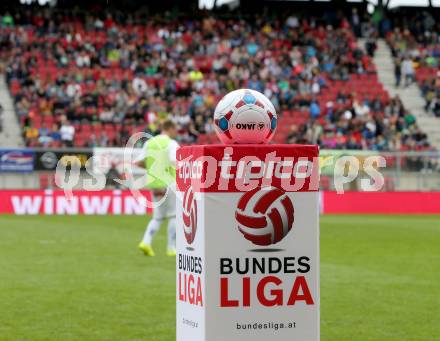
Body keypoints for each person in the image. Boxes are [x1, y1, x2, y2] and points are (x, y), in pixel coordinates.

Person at [136, 120, 179, 257]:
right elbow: (174, 161)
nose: (176, 132)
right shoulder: (171, 144)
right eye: (175, 129)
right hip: (170, 182)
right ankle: (171, 248)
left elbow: (139, 162)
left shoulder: (149, 143)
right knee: (174, 215)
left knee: (158, 217)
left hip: (154, 183)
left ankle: (146, 242)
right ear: (170, 128)